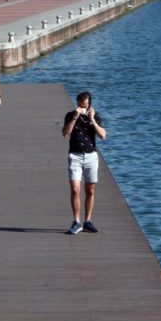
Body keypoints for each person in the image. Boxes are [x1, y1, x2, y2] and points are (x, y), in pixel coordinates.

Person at [61, 91, 107, 235]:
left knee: (90, 189)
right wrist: (75, 116)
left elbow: (102, 135)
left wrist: (92, 119)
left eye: (85, 106)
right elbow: (65, 133)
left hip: (91, 156)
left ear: (90, 105)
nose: (82, 108)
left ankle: (87, 221)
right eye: (80, 105)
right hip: (75, 155)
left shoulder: (95, 116)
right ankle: (76, 221)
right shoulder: (70, 115)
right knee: (75, 189)